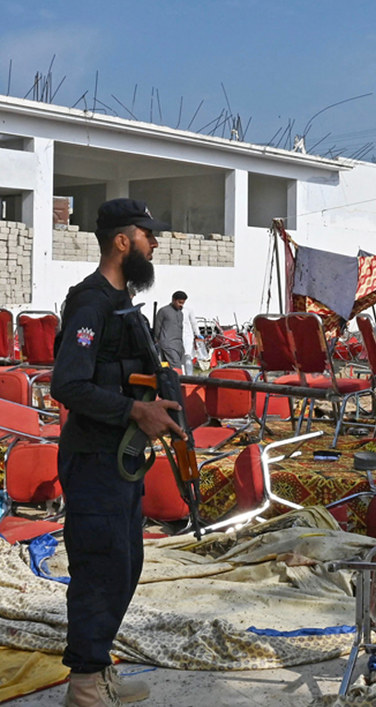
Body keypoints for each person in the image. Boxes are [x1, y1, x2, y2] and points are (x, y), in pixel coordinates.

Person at [50, 198, 184, 706]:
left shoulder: (122, 302)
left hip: (120, 462)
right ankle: (84, 683)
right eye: (148, 236)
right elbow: (68, 384)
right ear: (123, 242)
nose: (156, 243)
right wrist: (134, 410)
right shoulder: (91, 304)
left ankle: (97, 666)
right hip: (93, 461)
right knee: (99, 569)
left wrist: (155, 402)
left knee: (124, 566)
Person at [154, 290, 202, 373]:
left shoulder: (180, 313)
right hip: (168, 344)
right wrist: (157, 340)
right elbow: (157, 327)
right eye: (179, 302)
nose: (181, 305)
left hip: (179, 345)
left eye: (183, 303)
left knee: (174, 367)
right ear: (173, 300)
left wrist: (197, 334)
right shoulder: (163, 311)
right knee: (176, 366)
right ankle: (179, 380)